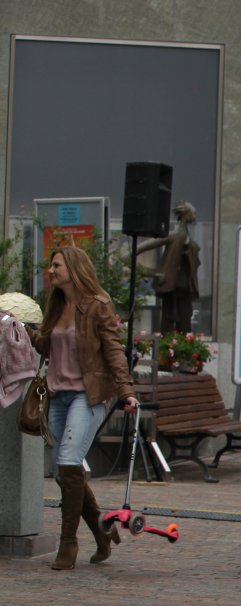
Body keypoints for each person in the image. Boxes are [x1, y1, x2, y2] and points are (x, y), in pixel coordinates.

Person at [29, 245, 137, 571]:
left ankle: (68, 544)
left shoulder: (98, 305)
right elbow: (46, 346)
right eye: (50, 266)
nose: (51, 271)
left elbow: (114, 350)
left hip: (87, 396)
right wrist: (23, 331)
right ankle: (103, 534)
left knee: (67, 462)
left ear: (74, 268)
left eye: (56, 265)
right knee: (67, 472)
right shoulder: (55, 305)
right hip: (57, 396)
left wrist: (126, 391)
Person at [135, 201, 201, 335]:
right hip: (172, 288)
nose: (194, 216)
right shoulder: (173, 236)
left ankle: (181, 344)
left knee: (184, 320)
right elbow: (134, 252)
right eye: (192, 213)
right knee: (169, 320)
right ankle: (169, 345)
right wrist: (153, 273)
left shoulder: (188, 240)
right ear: (185, 215)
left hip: (184, 288)